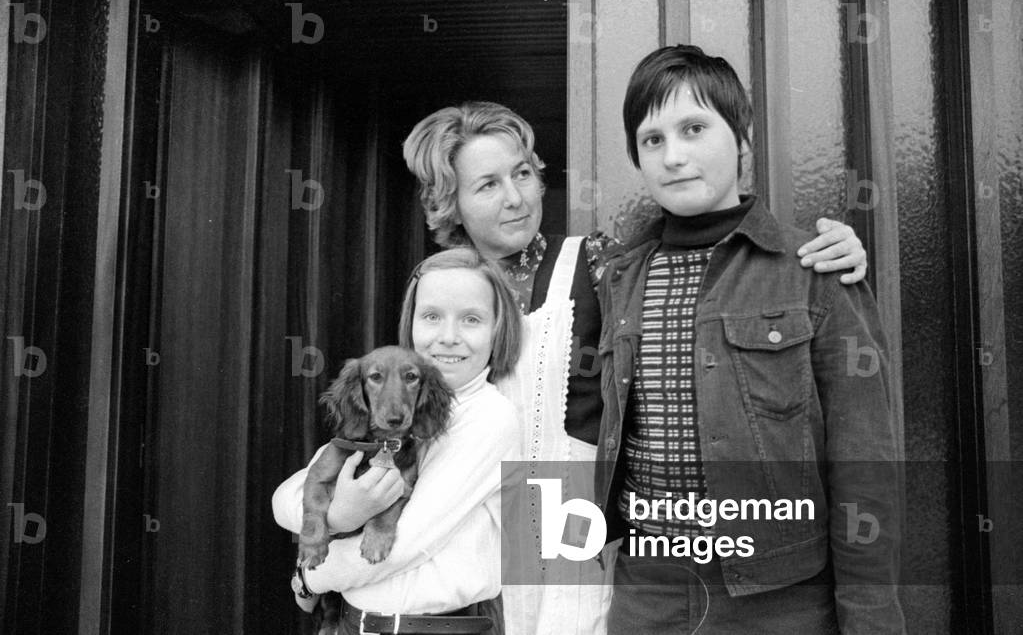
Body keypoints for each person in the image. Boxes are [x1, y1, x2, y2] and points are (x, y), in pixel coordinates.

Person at [398, 101, 872, 635]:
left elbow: (706, 267)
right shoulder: (434, 285)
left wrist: (824, 250)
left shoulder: (599, 261)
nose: (515, 198)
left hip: (569, 522)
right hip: (468, 520)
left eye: (523, 174)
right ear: (449, 202)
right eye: (487, 185)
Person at [595, 44, 903, 634]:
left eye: (694, 128)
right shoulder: (619, 276)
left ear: (742, 136)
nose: (674, 155)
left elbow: (865, 465)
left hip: (777, 598)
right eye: (652, 139)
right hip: (645, 593)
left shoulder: (814, 268)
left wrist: (871, 620)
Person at [272, 247, 523, 635]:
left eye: (471, 319)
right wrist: (339, 515)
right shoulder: (394, 418)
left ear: (497, 329)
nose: (449, 337)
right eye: (432, 316)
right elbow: (285, 496)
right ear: (411, 324)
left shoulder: (489, 418)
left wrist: (309, 578)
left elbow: (401, 546)